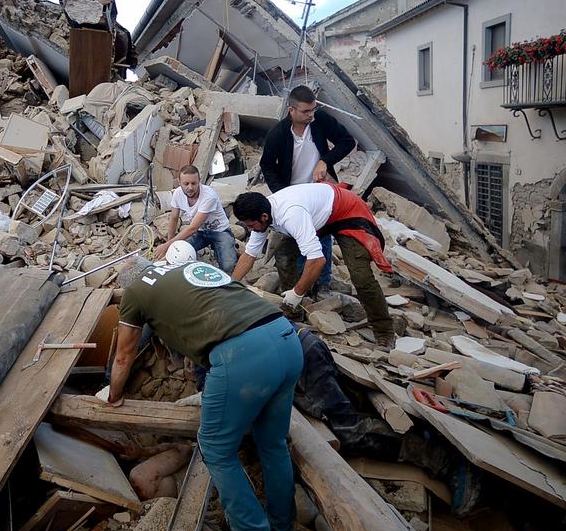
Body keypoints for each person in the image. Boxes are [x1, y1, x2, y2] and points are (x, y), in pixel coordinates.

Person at [103, 258, 303, 531]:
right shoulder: (189, 268)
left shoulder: (135, 292)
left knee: (216, 450)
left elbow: (124, 355)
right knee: (273, 444)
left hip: (241, 356)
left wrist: (113, 396)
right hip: (284, 337)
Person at [230, 183, 395, 347]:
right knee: (284, 255)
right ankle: (293, 311)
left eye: (251, 226)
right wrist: (229, 285)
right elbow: (250, 254)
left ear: (264, 216)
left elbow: (317, 260)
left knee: (361, 276)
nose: (251, 230)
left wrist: (297, 292)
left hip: (346, 211)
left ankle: (384, 332)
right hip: (316, 215)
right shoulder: (261, 215)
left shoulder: (290, 215)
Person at [259, 84, 356, 295]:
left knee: (322, 235)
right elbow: (266, 164)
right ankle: (300, 285)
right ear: (291, 110)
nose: (311, 115)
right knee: (297, 240)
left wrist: (325, 160)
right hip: (292, 194)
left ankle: (322, 284)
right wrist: (281, 193)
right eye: (305, 111)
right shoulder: (278, 134)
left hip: (318, 192)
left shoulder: (320, 121)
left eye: (313, 109)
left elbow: (347, 141)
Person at [153, 165, 237, 272]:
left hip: (219, 231)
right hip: (200, 233)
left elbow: (192, 228)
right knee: (178, 255)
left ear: (199, 181)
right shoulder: (178, 193)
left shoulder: (209, 196)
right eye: (186, 184)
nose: (190, 187)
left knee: (228, 266)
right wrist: (171, 245)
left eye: (193, 183)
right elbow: (174, 218)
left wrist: (166, 245)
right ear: (179, 182)